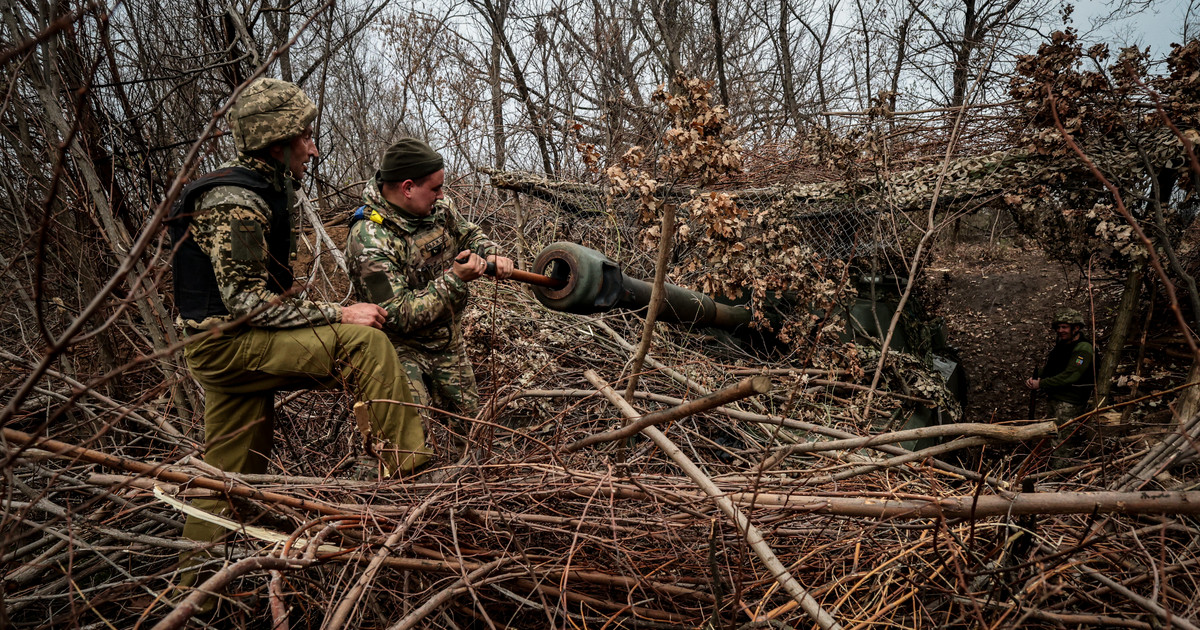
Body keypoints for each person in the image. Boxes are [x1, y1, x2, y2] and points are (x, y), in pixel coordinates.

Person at [168, 79, 431, 554]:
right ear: (276, 142)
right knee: (364, 344)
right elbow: (249, 301)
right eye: (304, 138)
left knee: (229, 473)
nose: (312, 150)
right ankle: (412, 487)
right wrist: (340, 311)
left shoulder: (263, 185)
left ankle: (197, 586)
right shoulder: (236, 201)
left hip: (222, 345)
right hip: (226, 345)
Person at [345, 138, 513, 426]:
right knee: (411, 438)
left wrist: (490, 250)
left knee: (474, 431)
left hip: (446, 340)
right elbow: (398, 315)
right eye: (435, 189)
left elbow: (467, 233)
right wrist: (456, 280)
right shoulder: (369, 241)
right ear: (408, 188)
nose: (441, 195)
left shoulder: (437, 207)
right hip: (400, 350)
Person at [1025, 308, 1095, 464]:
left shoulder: (1083, 349)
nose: (1060, 331)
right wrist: (1037, 377)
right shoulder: (1063, 345)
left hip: (1070, 401)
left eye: (1064, 327)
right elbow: (1055, 367)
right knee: (1052, 436)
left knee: (1064, 442)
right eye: (1058, 327)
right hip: (1055, 398)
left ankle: (1059, 475)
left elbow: (1072, 374)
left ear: (1076, 328)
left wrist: (1041, 383)